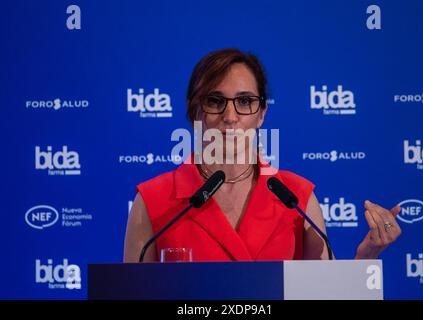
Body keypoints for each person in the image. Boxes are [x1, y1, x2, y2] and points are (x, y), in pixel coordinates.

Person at [123, 48, 402, 262]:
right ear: (195, 111)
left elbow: (324, 292)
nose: (230, 117)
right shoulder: (153, 200)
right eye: (215, 101)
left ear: (261, 114)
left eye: (245, 101)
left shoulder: (297, 197)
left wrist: (367, 256)